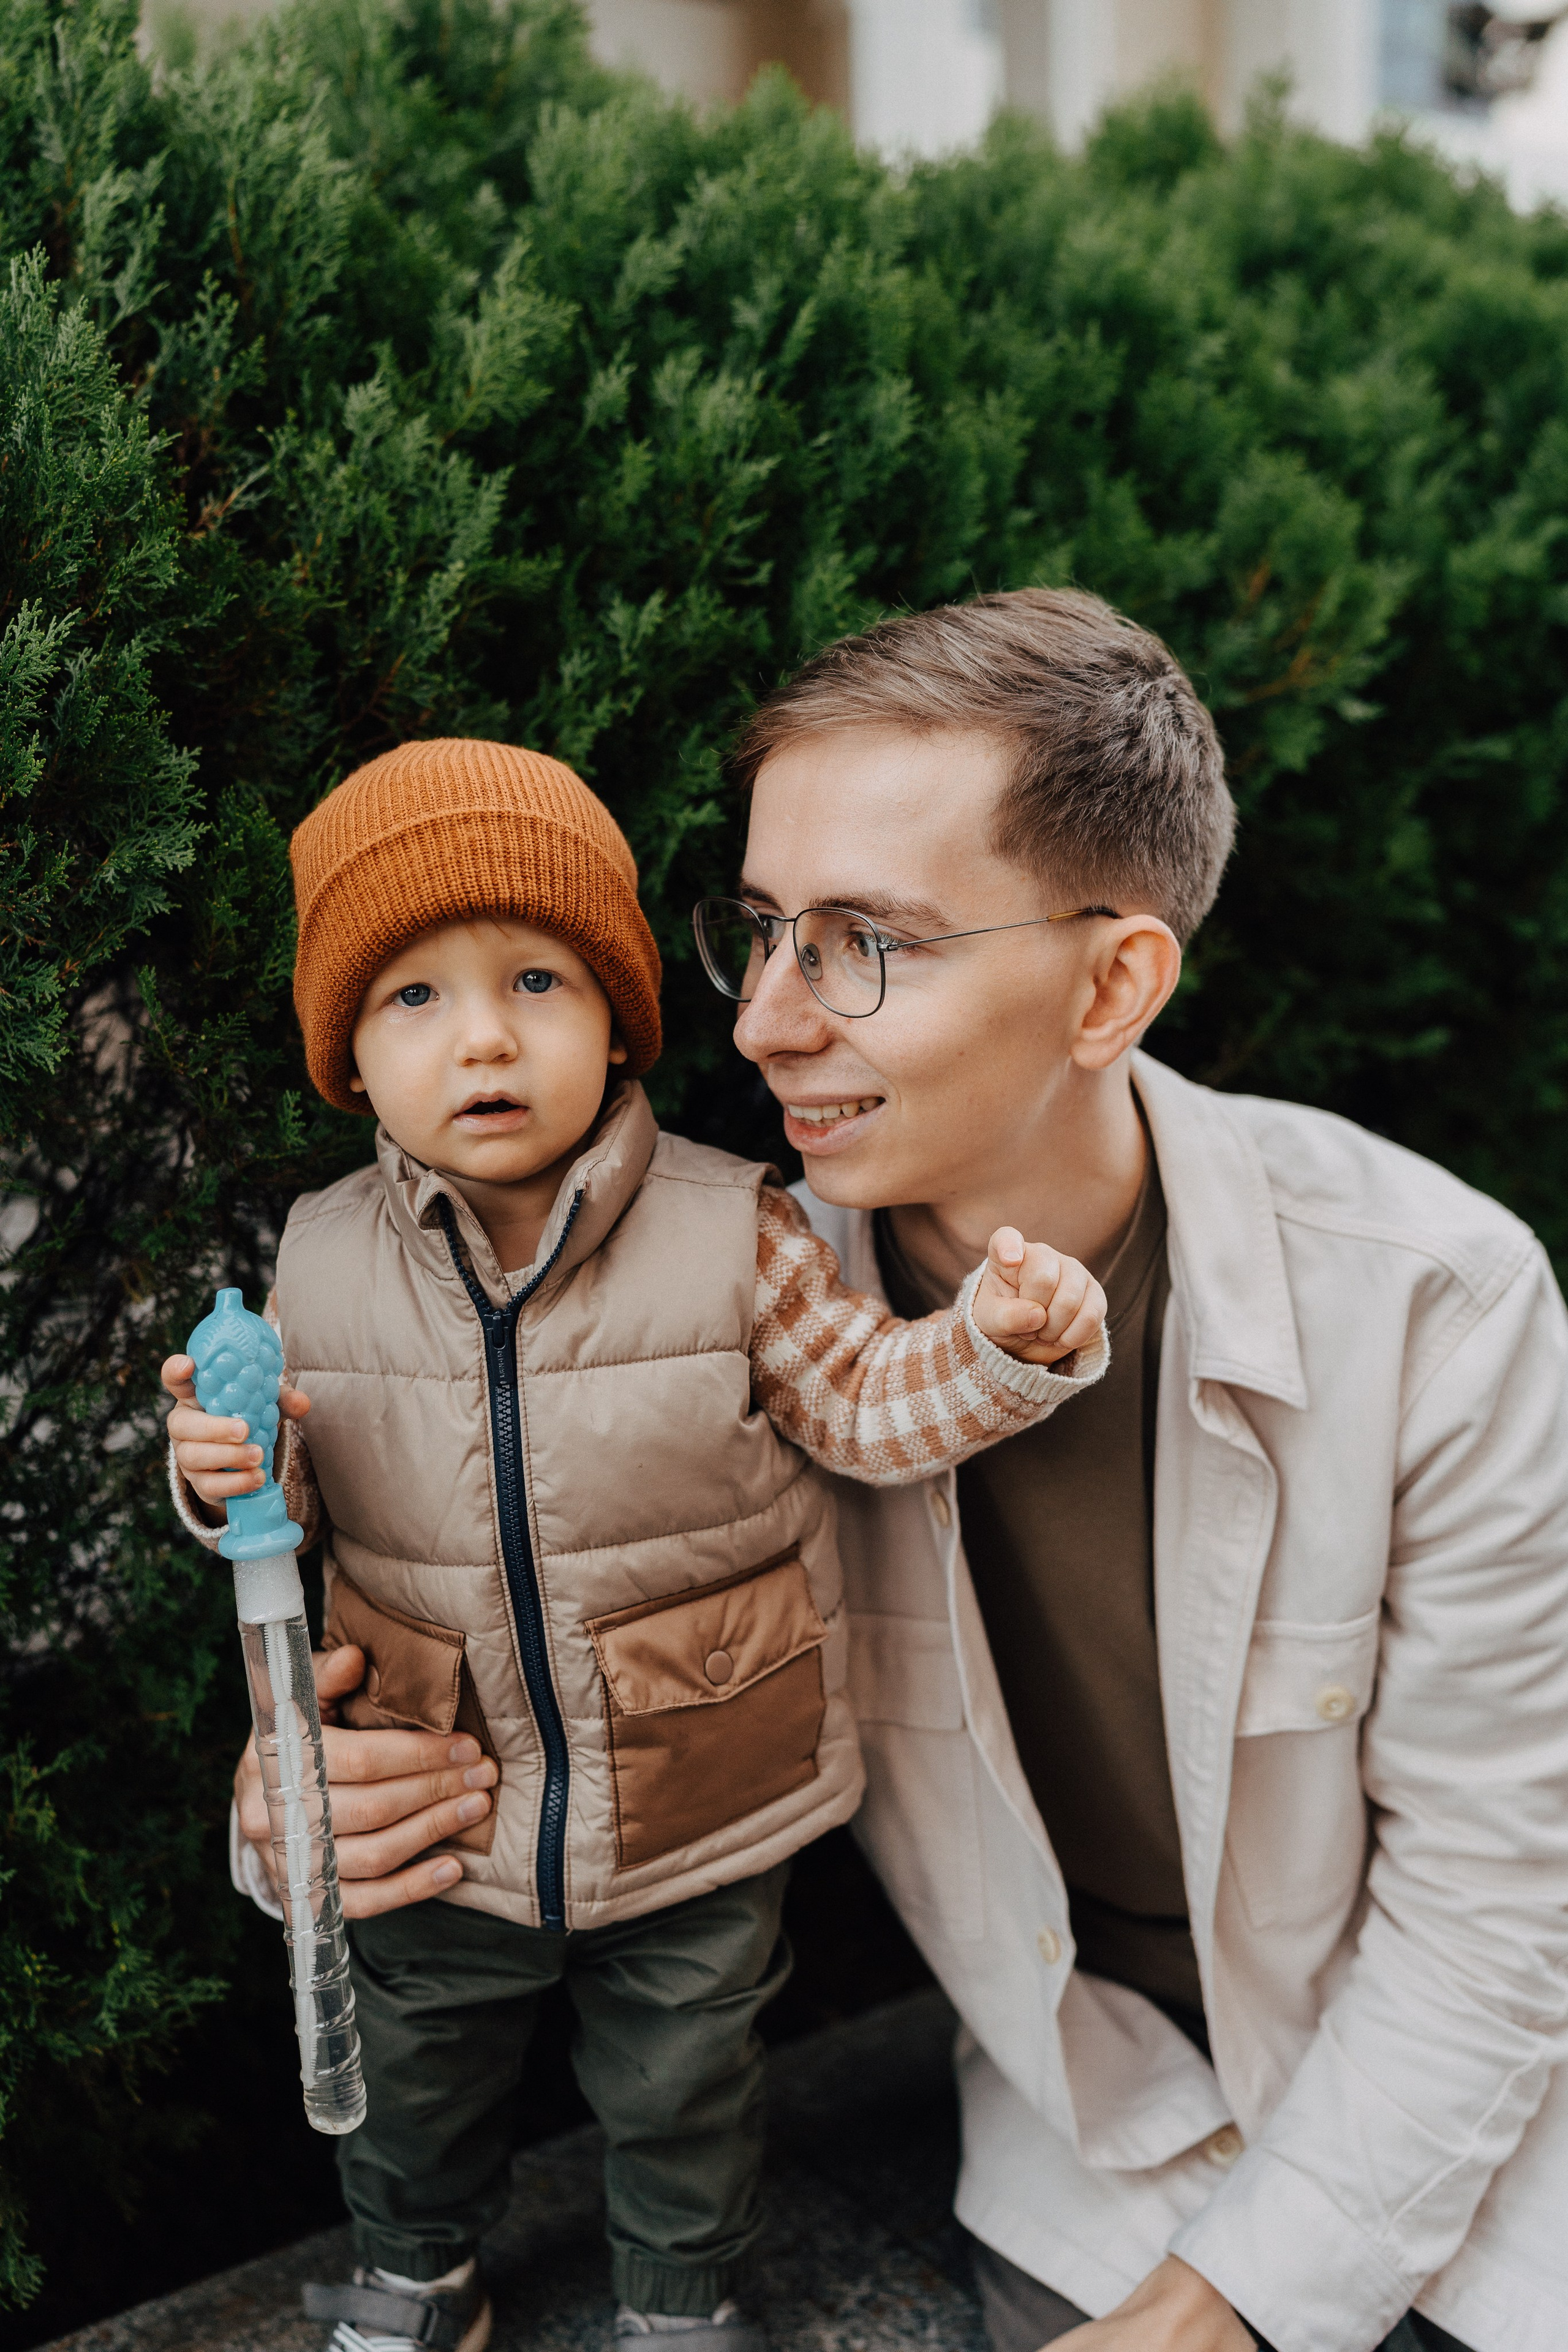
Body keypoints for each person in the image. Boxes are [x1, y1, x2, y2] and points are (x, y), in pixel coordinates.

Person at [211, 594, 1568, 2352]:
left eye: (866, 944)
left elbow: (1501, 1902)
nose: (765, 1025)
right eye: (763, 933)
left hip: (1486, 2098)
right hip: (1101, 2125)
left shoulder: (1437, 1302)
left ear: (1112, 986)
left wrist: (1225, 2307)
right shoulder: (717, 1321)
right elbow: (509, 1613)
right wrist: (306, 1800)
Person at [161, 737, 1109, 2352]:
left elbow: (864, 1405)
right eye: (413, 997)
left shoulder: (733, 1228)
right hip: (442, 1790)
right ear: (349, 1059)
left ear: (615, 1015)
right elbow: (285, 1508)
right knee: (415, 2072)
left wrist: (995, 1347)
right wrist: (219, 1471)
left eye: (536, 980)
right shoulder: (314, 1263)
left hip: (699, 1775)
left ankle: (679, 2298)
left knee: (688, 2082)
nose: (483, 1036)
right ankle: (417, 2270)